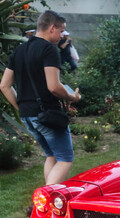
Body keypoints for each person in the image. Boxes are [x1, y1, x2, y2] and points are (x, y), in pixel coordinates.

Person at [0, 10, 81, 188]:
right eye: (61, 31)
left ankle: (48, 203)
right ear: (52, 28)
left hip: (28, 115)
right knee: (65, 159)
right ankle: (42, 201)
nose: (62, 36)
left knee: (52, 156)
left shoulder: (20, 50)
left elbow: (4, 85)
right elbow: (53, 86)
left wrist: (20, 106)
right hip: (47, 115)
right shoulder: (49, 49)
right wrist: (72, 97)